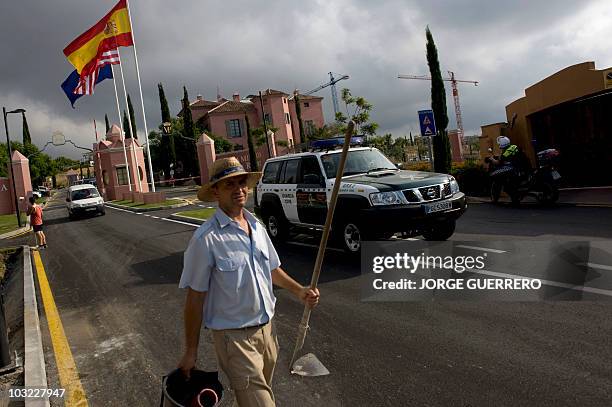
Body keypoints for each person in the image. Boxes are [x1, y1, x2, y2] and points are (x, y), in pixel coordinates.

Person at [177, 157, 320, 407]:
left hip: (267, 332)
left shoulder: (256, 225)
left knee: (252, 399)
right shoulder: (205, 239)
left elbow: (272, 269)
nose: (239, 189)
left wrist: (300, 291)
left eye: (242, 183)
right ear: (215, 191)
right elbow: (195, 298)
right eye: (229, 184)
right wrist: (191, 351)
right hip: (235, 340)